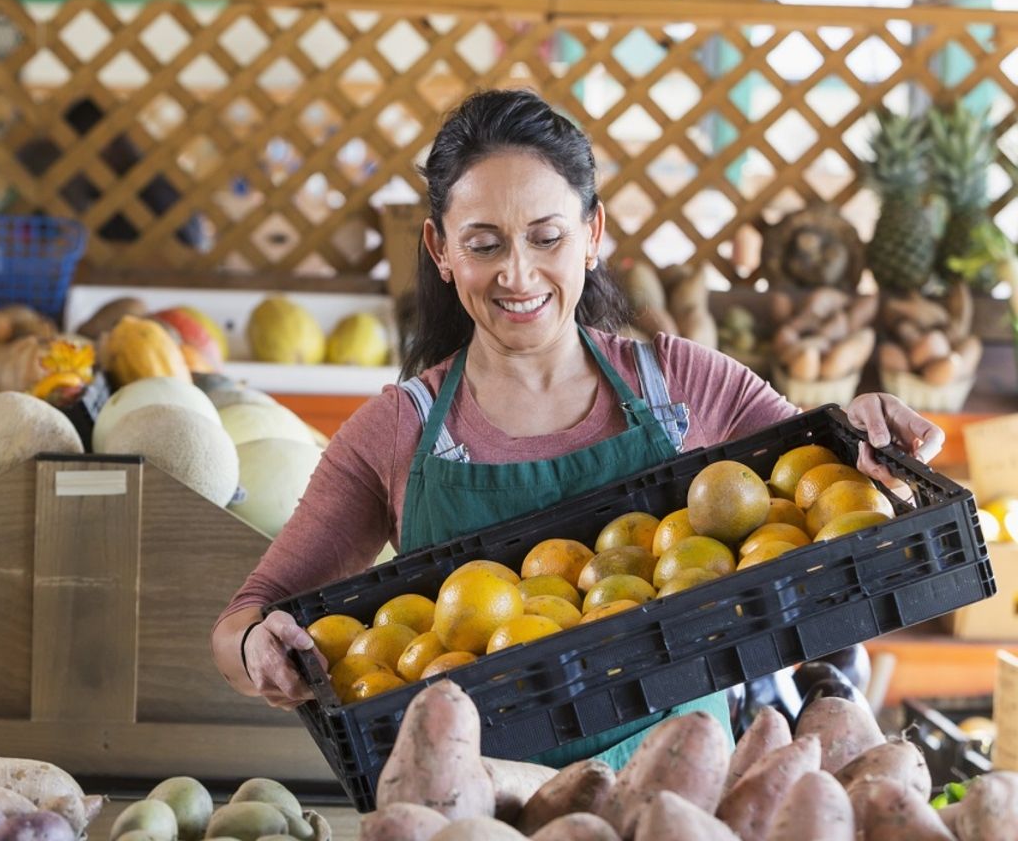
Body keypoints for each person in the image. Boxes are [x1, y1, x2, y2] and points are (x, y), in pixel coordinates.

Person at [209, 88, 944, 767]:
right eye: (485, 244)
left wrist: (869, 435)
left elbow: (831, 498)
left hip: (677, 800)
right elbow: (244, 619)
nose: (519, 275)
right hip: (472, 810)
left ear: (592, 235)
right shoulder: (395, 429)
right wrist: (255, 646)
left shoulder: (685, 382)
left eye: (547, 237)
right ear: (440, 251)